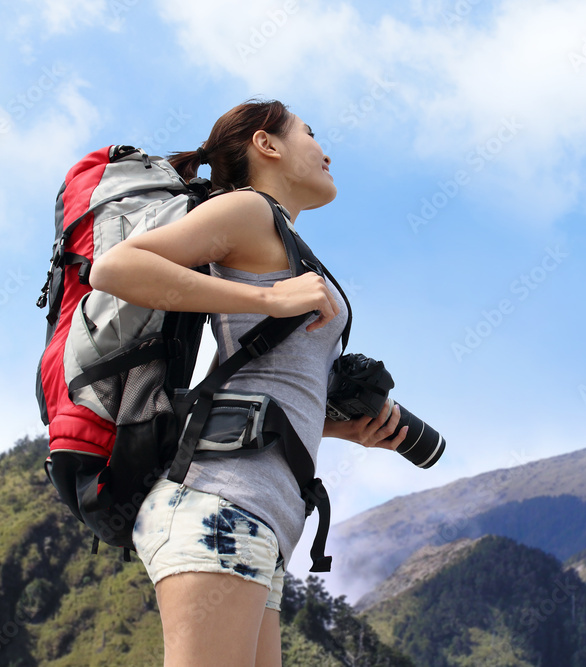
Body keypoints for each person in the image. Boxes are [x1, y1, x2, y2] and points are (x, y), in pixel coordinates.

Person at [89, 99, 408, 667]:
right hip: (219, 505)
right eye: (311, 133)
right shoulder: (249, 210)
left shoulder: (282, 238)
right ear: (268, 145)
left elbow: (264, 378)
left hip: (259, 519)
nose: (326, 149)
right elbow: (113, 269)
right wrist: (268, 297)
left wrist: (342, 429)